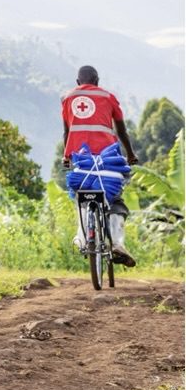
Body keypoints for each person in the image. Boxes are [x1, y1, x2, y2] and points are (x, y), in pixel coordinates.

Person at [61, 65, 138, 267]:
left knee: (81, 196)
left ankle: (82, 237)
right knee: (115, 200)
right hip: (108, 163)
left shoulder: (67, 98)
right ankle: (118, 243)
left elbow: (66, 132)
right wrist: (130, 154)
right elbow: (122, 131)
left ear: (78, 82)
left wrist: (66, 157)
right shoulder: (108, 97)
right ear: (97, 81)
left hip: (81, 163)